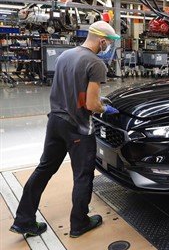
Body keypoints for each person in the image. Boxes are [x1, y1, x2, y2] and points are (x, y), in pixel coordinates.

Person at [10, 21, 120, 238]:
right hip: (77, 127)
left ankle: (23, 220)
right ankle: (79, 223)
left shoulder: (64, 56)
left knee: (44, 169)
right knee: (83, 175)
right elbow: (91, 106)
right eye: (109, 42)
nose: (109, 47)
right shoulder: (96, 63)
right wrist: (104, 108)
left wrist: (94, 98)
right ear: (102, 40)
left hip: (55, 123)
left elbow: (70, 89)